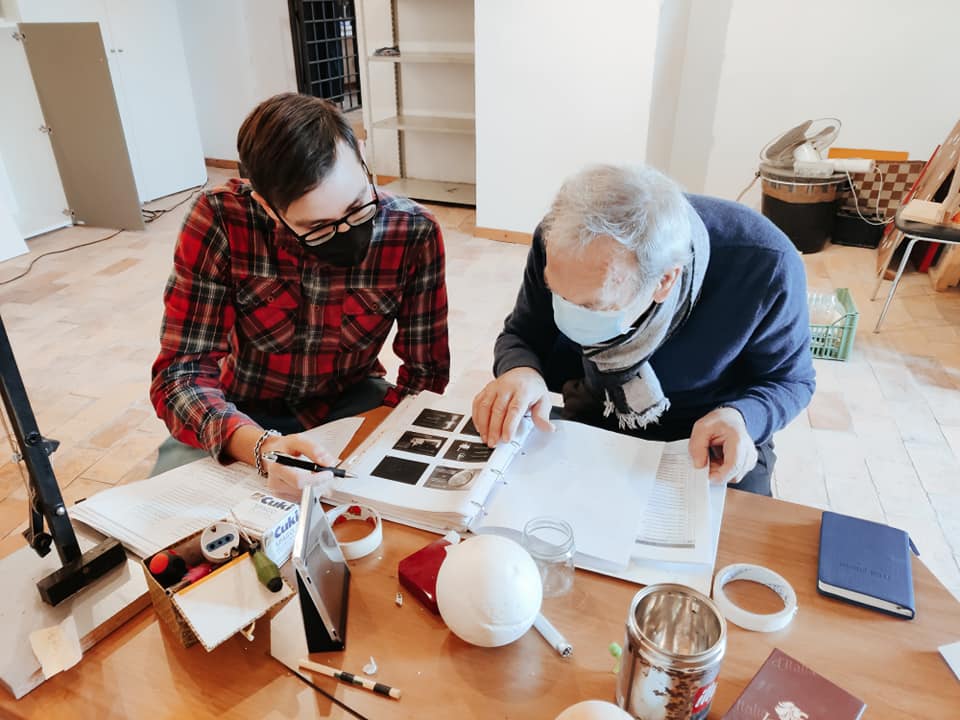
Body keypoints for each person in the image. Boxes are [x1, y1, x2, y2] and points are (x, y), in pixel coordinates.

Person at [150, 93, 450, 496]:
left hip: (355, 399)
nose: (345, 231)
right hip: (242, 407)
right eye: (317, 226)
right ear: (267, 207)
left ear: (361, 155)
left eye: (359, 206)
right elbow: (179, 375)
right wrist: (261, 447)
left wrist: (378, 435)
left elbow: (425, 375)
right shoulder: (221, 219)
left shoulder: (413, 231)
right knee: (173, 520)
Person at [472, 164, 815, 496]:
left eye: (593, 306)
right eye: (557, 293)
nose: (569, 315)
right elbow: (522, 334)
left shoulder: (765, 264)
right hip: (600, 409)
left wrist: (743, 417)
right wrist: (521, 370)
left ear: (665, 281)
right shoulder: (557, 237)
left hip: (711, 433)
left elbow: (791, 380)